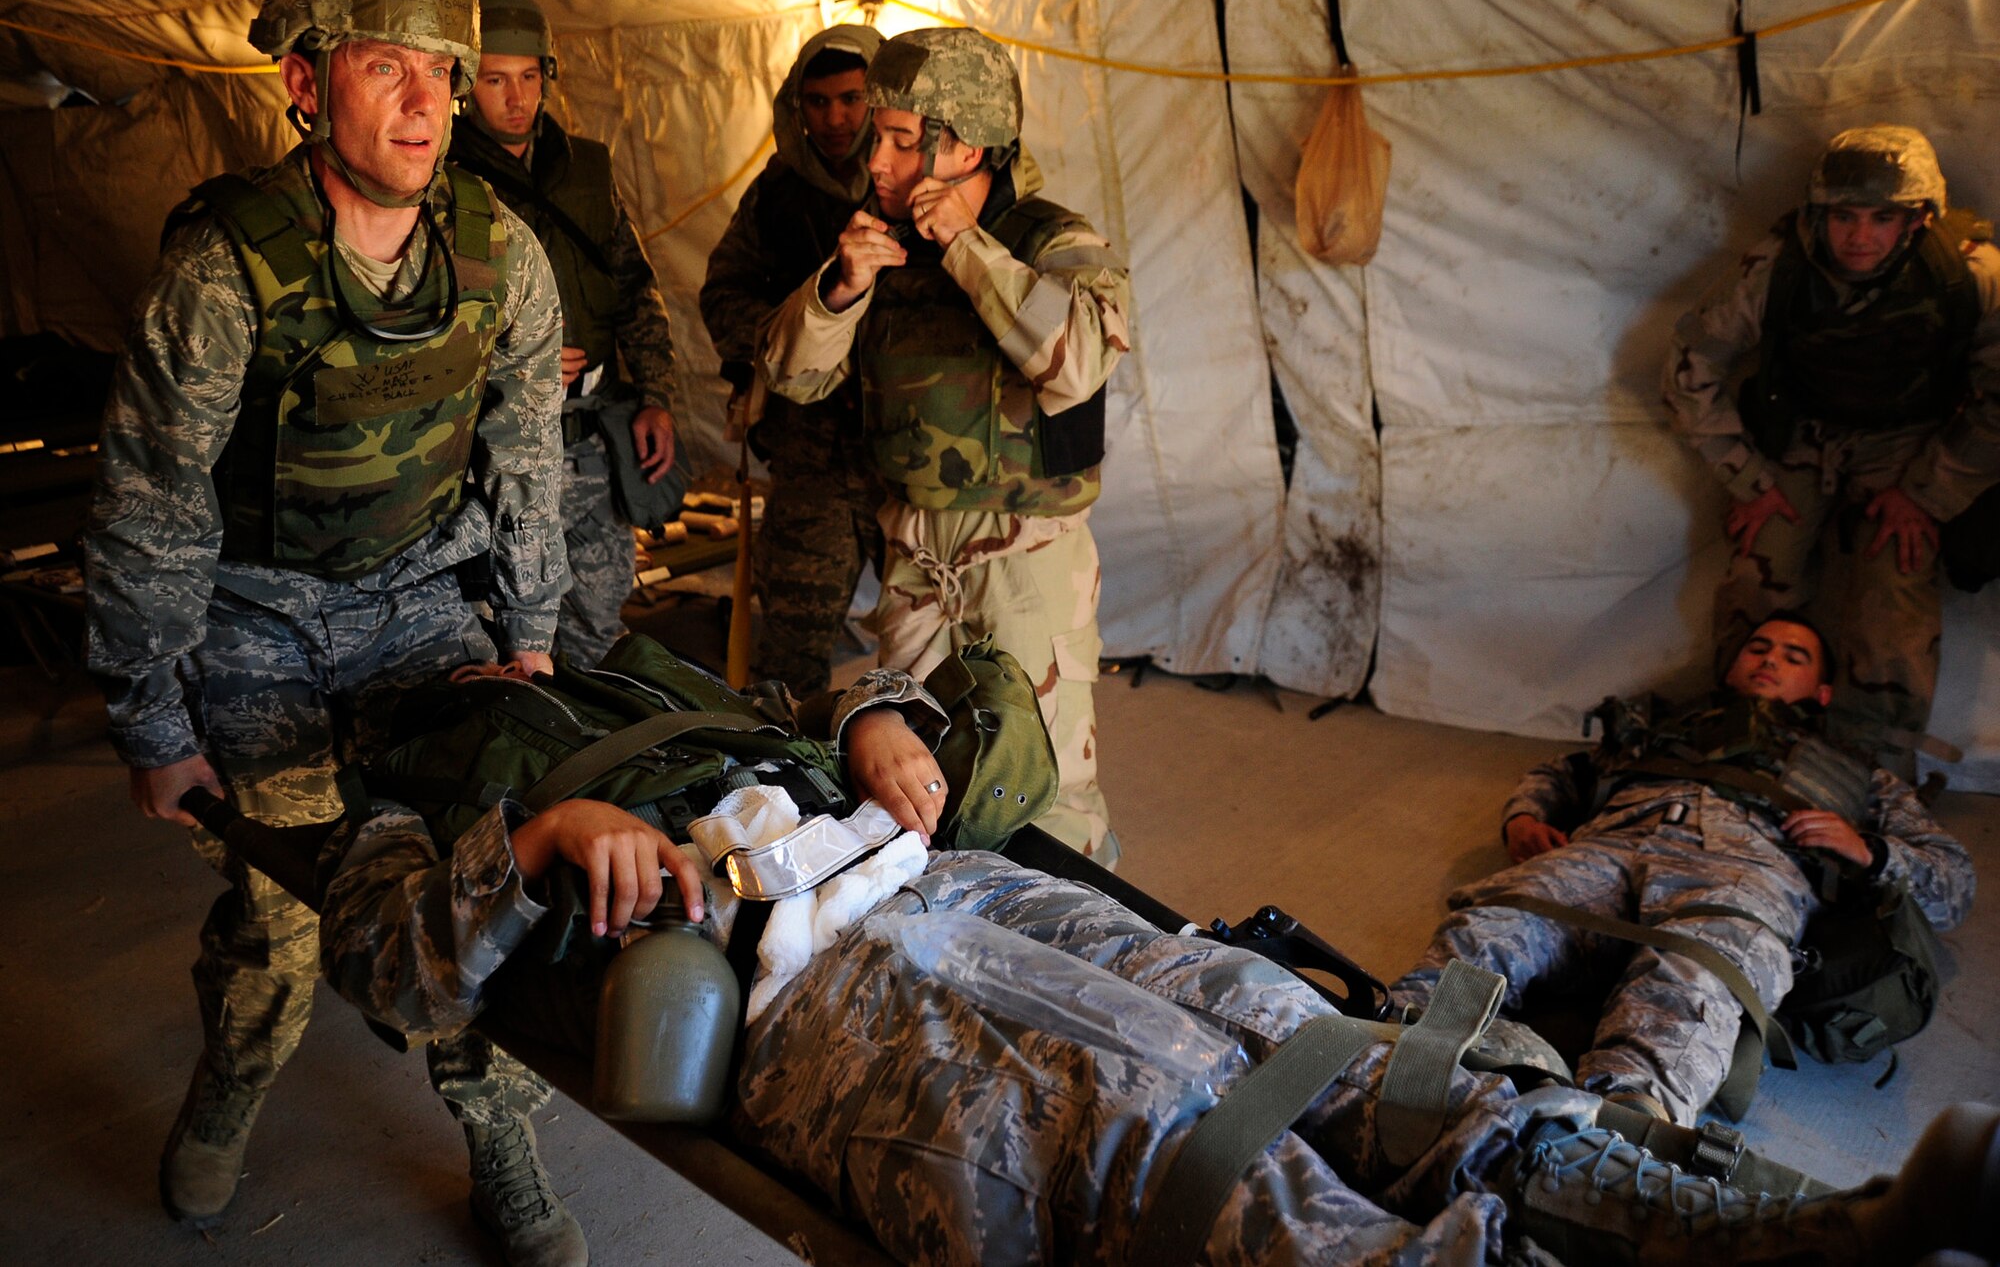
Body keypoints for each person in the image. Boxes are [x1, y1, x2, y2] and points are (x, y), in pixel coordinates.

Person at [314, 648, 2000, 1267]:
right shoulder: (434, 787)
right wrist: (535, 840)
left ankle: (1768, 1222)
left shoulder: (620, 670)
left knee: (1308, 1031)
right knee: (1164, 1135)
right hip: (791, 987)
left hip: (943, 874)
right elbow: (396, 965)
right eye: (463, 652)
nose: (503, 651)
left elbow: (823, 683)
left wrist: (875, 719)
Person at [81, 0, 586, 1267]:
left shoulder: (501, 253)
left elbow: (530, 452)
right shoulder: (224, 269)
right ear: (305, 86)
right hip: (254, 620)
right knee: (287, 904)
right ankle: (236, 1079)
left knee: (487, 873)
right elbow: (151, 501)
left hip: (424, 602)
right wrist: (151, 719)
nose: (429, 99)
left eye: (445, 67)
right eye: (385, 67)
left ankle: (499, 1134)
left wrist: (528, 638)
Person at [759, 26, 1132, 864]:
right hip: (914, 552)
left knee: (1046, 791)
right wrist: (840, 288)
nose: (875, 161)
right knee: (917, 779)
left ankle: (1076, 958)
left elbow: (1074, 364)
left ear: (961, 145)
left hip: (1026, 563)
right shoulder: (877, 246)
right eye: (876, 138)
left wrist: (968, 248)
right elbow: (792, 378)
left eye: (897, 139)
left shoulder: (1053, 242)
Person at [1388, 615, 1974, 1126]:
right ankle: (1385, 1055)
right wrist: (1523, 818)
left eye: (1793, 657)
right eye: (1759, 647)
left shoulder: (1860, 771)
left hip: (1746, 868)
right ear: (1732, 666)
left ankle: (1611, 1131)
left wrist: (1870, 851)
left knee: (1692, 988)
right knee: (1489, 932)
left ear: (1822, 693)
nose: (1770, 659)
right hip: (1610, 844)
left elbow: (1952, 882)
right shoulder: (1662, 726)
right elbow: (1562, 772)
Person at [1662, 124, 2000, 775]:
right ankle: (1740, 738)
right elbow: (1689, 361)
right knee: (1758, 574)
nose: (1860, 235)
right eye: (1844, 215)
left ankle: (1874, 771)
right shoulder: (1781, 265)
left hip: (1910, 444)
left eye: (1883, 217)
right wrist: (1747, 476)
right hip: (1803, 433)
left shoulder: (1970, 273)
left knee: (1893, 588)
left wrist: (1929, 492)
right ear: (1820, 213)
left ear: (1920, 217)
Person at [451, 0, 677, 668]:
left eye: (529, 77)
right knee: (509, 643)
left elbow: (635, 284)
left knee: (598, 631)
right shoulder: (440, 178)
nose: (516, 98)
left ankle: (593, 767)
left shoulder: (588, 168)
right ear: (465, 83)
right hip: (497, 457)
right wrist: (511, 366)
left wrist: (657, 396)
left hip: (590, 439)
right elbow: (423, 325)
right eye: (495, 80)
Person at [699, 24, 886, 694]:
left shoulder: (917, 183)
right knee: (789, 660)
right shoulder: (776, 193)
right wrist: (789, 339)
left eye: (852, 98)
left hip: (906, 457)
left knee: (936, 643)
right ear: (796, 106)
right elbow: (722, 294)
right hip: (812, 455)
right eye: (817, 102)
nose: (835, 118)